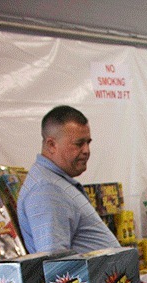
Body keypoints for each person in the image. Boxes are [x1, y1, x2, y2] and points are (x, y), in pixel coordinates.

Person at [17, 105, 120, 253]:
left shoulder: (53, 182)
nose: (86, 150)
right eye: (79, 144)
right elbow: (56, 264)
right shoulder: (46, 189)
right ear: (51, 145)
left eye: (88, 143)